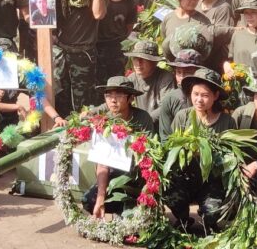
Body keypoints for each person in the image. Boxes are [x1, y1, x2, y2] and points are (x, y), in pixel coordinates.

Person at [167, 68, 236, 232]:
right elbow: (172, 148)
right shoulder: (182, 117)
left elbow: (231, 156)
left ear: (216, 96)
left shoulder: (227, 122)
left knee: (213, 213)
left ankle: (208, 220)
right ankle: (183, 219)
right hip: (186, 178)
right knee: (169, 192)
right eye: (195, 94)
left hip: (212, 181)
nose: (199, 99)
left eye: (204, 95)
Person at [83, 76, 155, 217]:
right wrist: (100, 198)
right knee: (88, 201)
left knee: (132, 221)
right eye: (109, 95)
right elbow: (102, 163)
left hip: (136, 177)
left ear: (130, 98)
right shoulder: (103, 121)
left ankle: (130, 208)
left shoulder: (142, 118)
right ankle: (116, 206)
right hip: (112, 176)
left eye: (119, 95)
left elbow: (149, 157)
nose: (113, 100)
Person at [52, 0, 107, 116]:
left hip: (83, 54)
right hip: (62, 52)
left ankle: (81, 130)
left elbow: (98, 14)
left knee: (83, 103)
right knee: (60, 98)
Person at [97, 0, 137, 78]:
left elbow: (129, 26)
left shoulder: (130, 3)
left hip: (116, 46)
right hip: (97, 44)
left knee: (116, 77)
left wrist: (119, 40)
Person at [157, 48, 203, 141]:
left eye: (187, 72)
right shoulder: (170, 99)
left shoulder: (208, 96)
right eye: (178, 72)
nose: (182, 77)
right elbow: (165, 137)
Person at [124, 40, 175, 119]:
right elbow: (118, 97)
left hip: (160, 123)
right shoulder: (132, 79)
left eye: (143, 59)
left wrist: (145, 120)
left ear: (154, 62)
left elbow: (166, 106)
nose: (138, 63)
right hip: (141, 122)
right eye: (135, 58)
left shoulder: (165, 77)